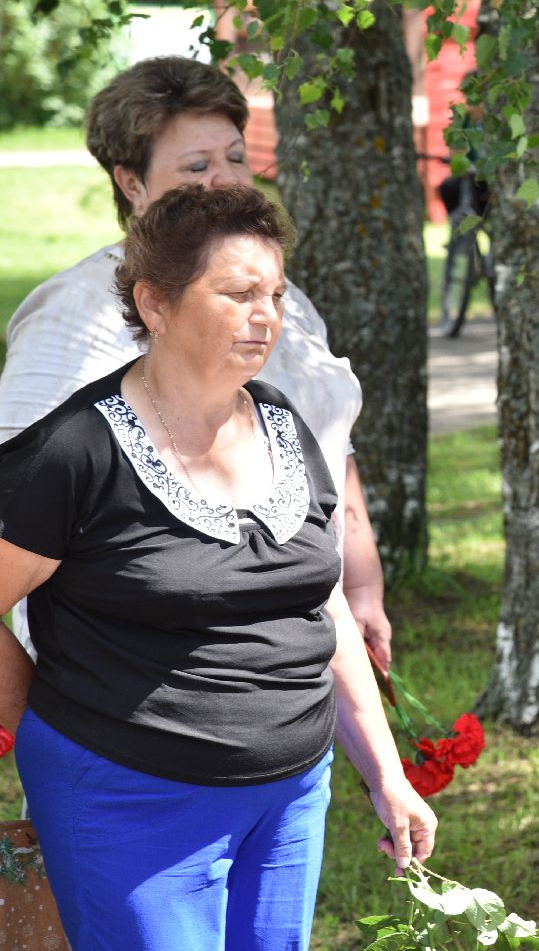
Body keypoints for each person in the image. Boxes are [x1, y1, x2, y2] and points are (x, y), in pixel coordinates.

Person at [0, 185, 435, 950]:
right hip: (129, 800)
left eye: (275, 292)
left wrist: (385, 774)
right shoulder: (76, 452)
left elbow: (323, 605)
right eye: (237, 293)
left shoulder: (282, 423)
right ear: (156, 305)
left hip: (291, 797)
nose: (266, 315)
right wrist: (31, 711)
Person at [0, 56, 393, 667]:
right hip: (144, 670)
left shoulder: (286, 300)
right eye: (196, 166)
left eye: (235, 157)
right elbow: (27, 494)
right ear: (131, 183)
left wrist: (362, 582)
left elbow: (329, 441)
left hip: (301, 637)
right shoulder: (76, 311)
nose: (226, 179)